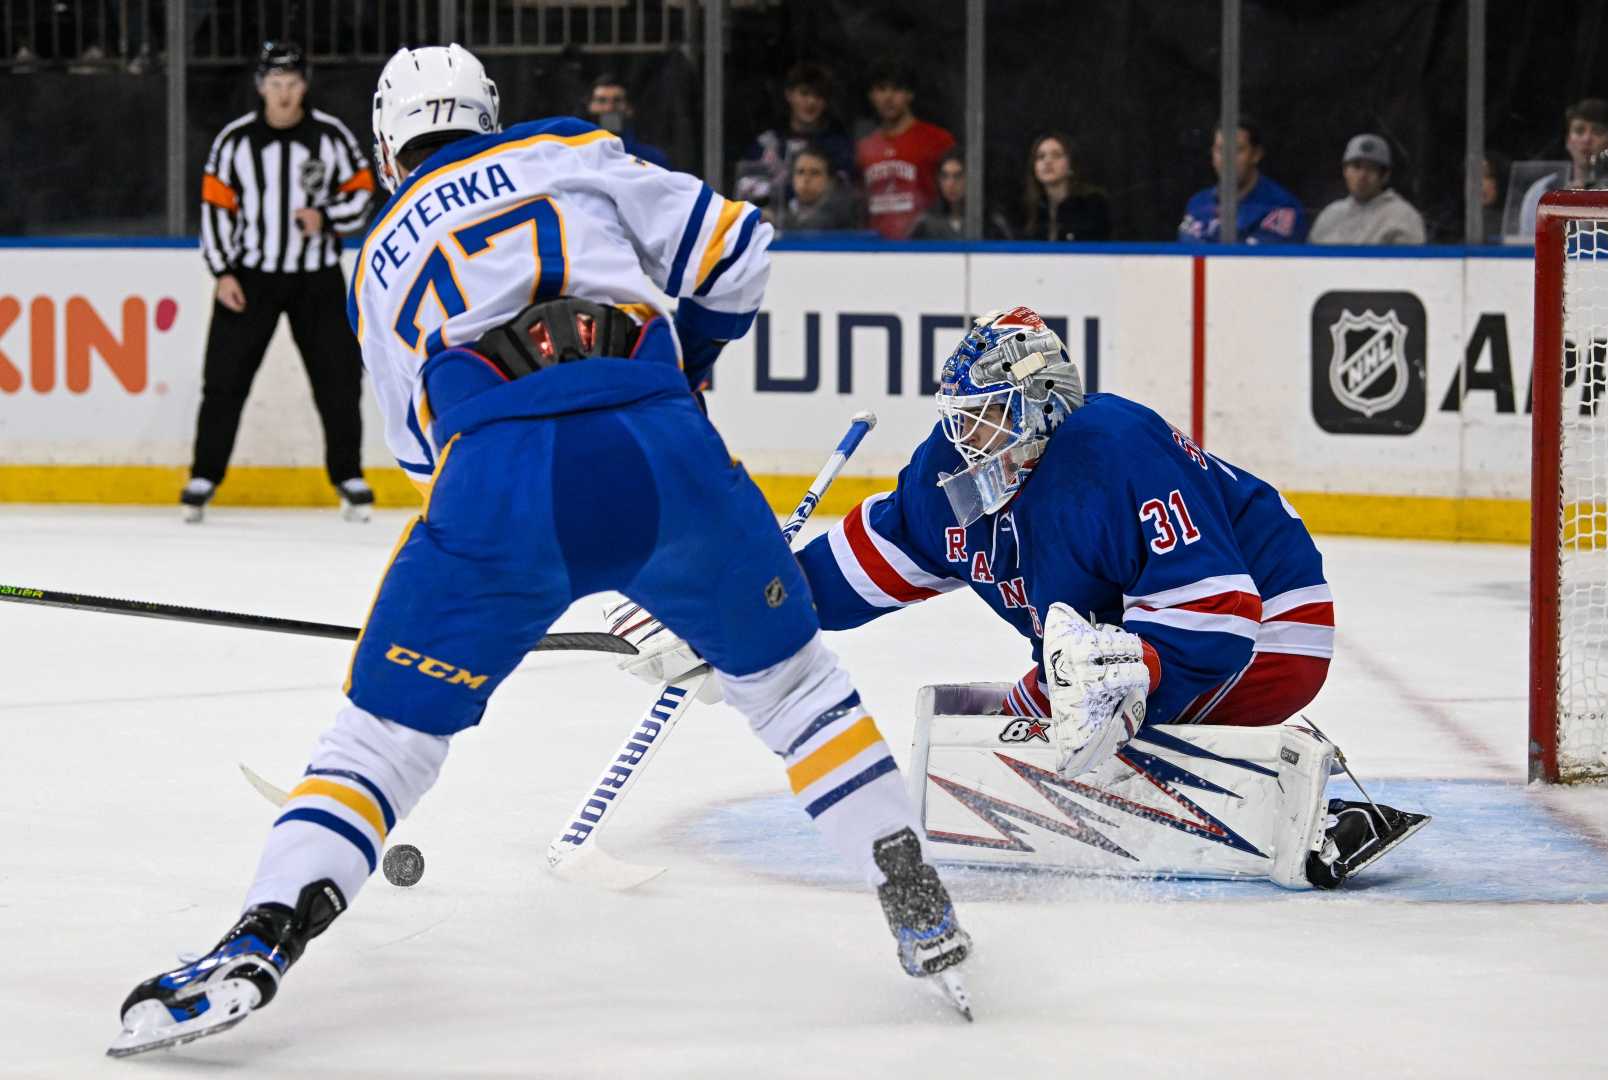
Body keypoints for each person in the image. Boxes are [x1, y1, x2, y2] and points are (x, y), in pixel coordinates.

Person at [108, 43, 970, 1058]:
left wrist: (517, 567)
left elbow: (422, 448)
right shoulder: (571, 147)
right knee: (791, 689)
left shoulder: (378, 254)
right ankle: (908, 887)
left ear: (387, 147)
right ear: (490, 112)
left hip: (500, 485)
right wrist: (684, 371)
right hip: (662, 445)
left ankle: (260, 940)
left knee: (380, 743)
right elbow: (741, 248)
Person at [789, 308, 1426, 887]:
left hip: (1272, 620)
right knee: (1021, 725)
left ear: (1042, 405)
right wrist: (761, 605)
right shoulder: (946, 478)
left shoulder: (1113, 446)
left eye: (986, 416)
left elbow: (1218, 616)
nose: (967, 440)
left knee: (1084, 708)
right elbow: (866, 561)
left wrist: (1124, 688)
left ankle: (1286, 815)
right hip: (1128, 632)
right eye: (960, 419)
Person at [183, 40, 376, 523]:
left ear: (304, 85)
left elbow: (362, 190)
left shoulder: (330, 137)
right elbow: (214, 208)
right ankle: (204, 476)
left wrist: (327, 217)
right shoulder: (234, 142)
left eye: (291, 84)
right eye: (275, 84)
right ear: (260, 87)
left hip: (316, 279)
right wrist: (223, 271)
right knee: (223, 381)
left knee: (338, 380)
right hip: (250, 279)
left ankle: (348, 476)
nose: (284, 94)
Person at [856, 59, 956, 240]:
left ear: (910, 94)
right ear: (871, 96)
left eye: (896, 89)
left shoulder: (937, 140)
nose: (888, 97)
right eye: (881, 89)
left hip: (925, 245)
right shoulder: (865, 147)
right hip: (876, 247)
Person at [735, 62, 856, 210]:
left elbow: (841, 195)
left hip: (823, 228)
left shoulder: (838, 147)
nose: (811, 102)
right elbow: (746, 190)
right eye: (804, 93)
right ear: (789, 95)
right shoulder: (766, 144)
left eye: (818, 95)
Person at [1178, 118, 1305, 244]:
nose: (1227, 159)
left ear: (1256, 154)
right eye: (1220, 150)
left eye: (1237, 150)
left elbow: (1255, 260)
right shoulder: (1198, 203)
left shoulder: (1282, 206)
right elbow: (1186, 256)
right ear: (1212, 154)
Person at [1517, 98, 1608, 235]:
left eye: (1597, 132)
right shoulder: (1542, 190)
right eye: (1579, 130)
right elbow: (1527, 245)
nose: (1587, 139)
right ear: (1568, 140)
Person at [1308, 133, 1425, 245]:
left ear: (1385, 176)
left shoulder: (1403, 216)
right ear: (1345, 171)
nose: (1362, 176)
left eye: (1371, 168)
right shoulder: (1330, 215)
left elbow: (1409, 264)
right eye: (1356, 167)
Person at [1020, 132, 1111, 242]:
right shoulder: (1026, 210)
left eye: (1056, 155)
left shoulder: (1093, 206)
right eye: (1040, 157)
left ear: (1071, 165)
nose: (1047, 161)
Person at [909, 148, 1011, 240]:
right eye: (945, 176)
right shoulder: (926, 224)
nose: (950, 184)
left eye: (958, 176)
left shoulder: (992, 224)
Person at [584, 72, 671, 170]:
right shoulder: (576, 156)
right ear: (589, 107)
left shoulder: (652, 159)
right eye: (601, 100)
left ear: (630, 108)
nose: (609, 108)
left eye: (617, 100)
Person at [777, 146, 858, 232]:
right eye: (800, 172)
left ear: (830, 181)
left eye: (815, 173)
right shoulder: (783, 212)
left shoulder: (843, 214)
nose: (806, 179)